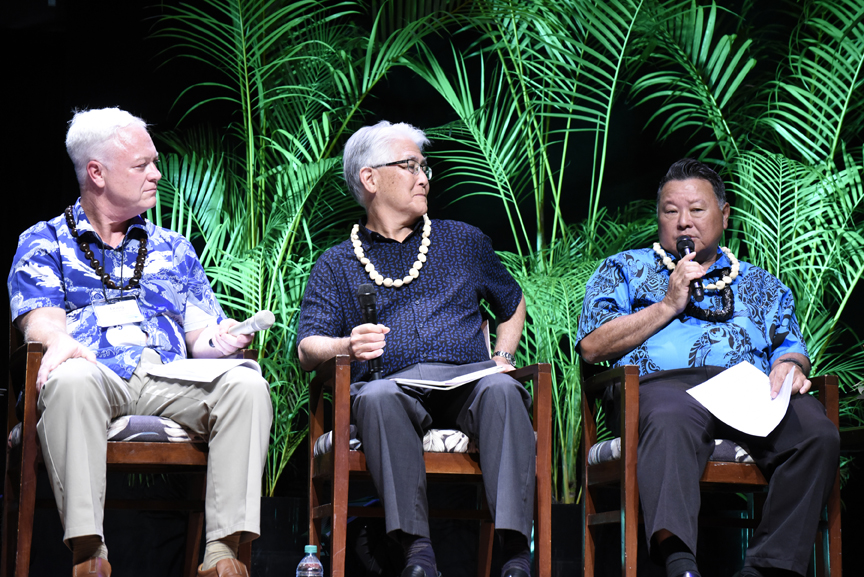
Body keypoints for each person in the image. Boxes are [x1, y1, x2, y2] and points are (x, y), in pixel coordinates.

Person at [7, 107, 273, 577]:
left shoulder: (174, 248)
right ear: (97, 173)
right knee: (70, 382)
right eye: (141, 165)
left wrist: (225, 337)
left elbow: (200, 334)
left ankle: (221, 554)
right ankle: (90, 554)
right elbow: (40, 322)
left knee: (247, 387)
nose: (156, 174)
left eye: (154, 162)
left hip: (168, 376)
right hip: (94, 372)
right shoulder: (44, 241)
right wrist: (58, 342)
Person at [576, 158, 840, 577]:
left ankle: (766, 568)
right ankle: (680, 563)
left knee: (818, 434)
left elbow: (791, 346)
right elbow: (592, 346)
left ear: (724, 214)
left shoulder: (761, 283)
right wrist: (667, 304)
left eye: (696, 210)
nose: (683, 223)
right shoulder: (623, 269)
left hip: (748, 390)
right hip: (661, 388)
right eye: (670, 211)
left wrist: (789, 365)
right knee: (669, 418)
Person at [297, 121, 534, 577]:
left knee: (504, 393)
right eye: (409, 166)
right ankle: (417, 552)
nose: (423, 176)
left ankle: (514, 553)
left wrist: (503, 357)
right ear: (370, 179)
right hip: (393, 387)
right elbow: (308, 347)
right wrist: (347, 344)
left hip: (469, 381)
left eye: (425, 166)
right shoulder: (337, 262)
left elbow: (513, 301)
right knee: (378, 397)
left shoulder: (462, 241)